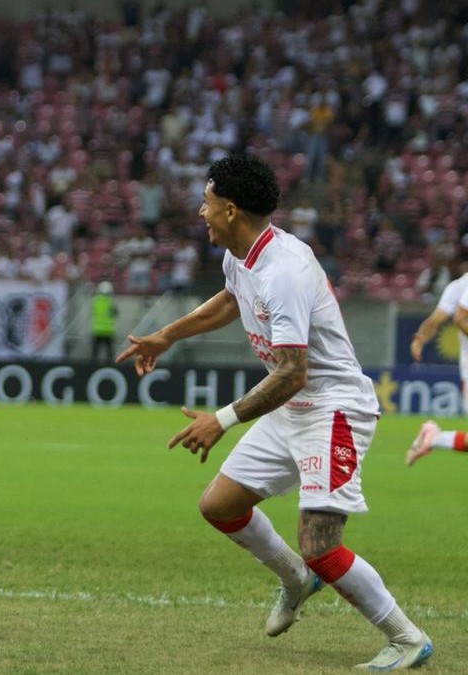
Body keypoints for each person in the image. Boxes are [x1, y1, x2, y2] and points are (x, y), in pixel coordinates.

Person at [117, 154, 433, 670]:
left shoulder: (284, 271)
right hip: (293, 408)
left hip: (333, 410)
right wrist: (167, 335)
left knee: (321, 544)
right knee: (219, 506)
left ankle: (405, 637)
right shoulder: (243, 255)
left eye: (207, 202)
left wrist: (219, 420)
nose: (202, 212)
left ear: (232, 209)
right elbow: (230, 300)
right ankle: (294, 579)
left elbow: (292, 372)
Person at [406, 259, 468, 466]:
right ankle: (433, 437)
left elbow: (437, 319)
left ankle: (432, 437)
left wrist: (420, 339)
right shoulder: (460, 286)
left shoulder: (457, 286)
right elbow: (460, 318)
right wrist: (420, 339)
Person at [91, 280, 117, 362]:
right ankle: (110, 369)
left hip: (97, 330)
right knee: (110, 355)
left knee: (95, 354)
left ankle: (92, 369)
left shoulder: (95, 301)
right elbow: (115, 313)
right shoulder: (110, 302)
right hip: (108, 331)